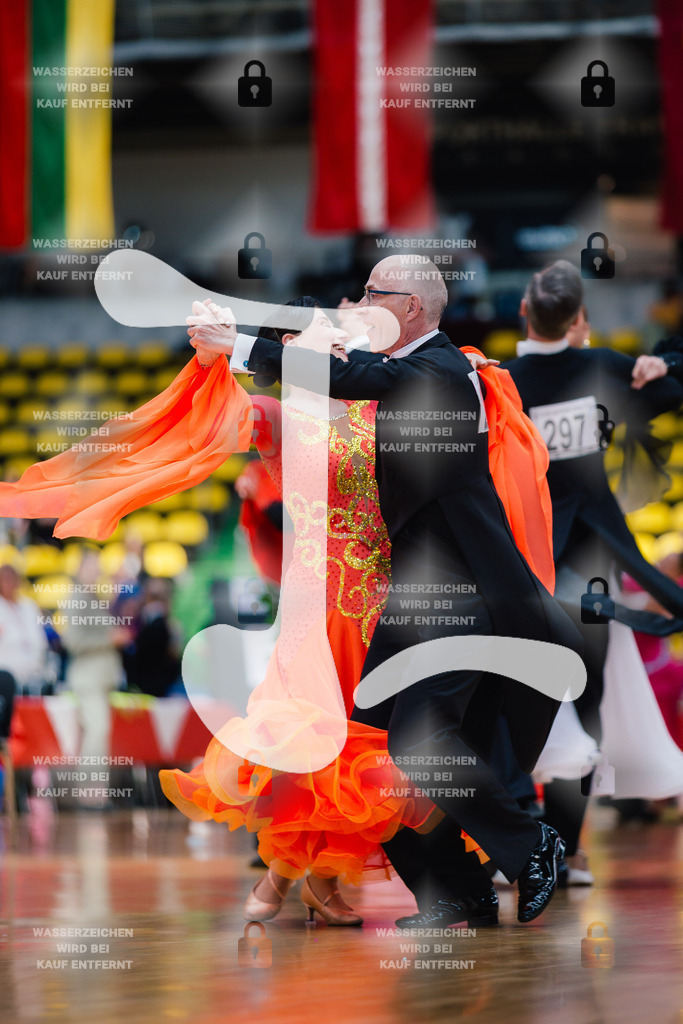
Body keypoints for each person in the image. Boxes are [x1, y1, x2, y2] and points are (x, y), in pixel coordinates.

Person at [188, 255, 583, 928]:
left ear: (408, 308)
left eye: (373, 292)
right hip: (409, 599)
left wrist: (244, 343)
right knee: (364, 751)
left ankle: (528, 844)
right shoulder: (399, 376)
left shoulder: (439, 371)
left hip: (468, 595)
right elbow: (335, 383)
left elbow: (355, 376)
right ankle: (455, 888)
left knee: (417, 744)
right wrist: (240, 353)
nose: (360, 299)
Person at [503, 259, 683, 881]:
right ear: (579, 321)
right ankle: (567, 850)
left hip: (524, 563)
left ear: (524, 312)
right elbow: (670, 390)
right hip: (596, 567)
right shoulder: (607, 365)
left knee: (513, 693)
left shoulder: (504, 383)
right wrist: (665, 361)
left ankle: (517, 845)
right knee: (589, 696)